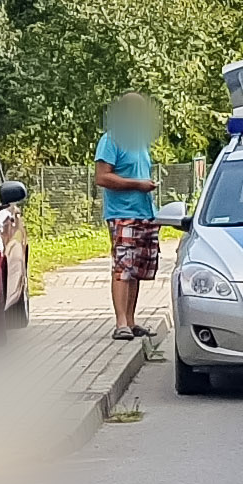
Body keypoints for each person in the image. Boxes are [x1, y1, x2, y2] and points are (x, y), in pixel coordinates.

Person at [94, 92, 162, 339]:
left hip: (145, 213)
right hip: (123, 214)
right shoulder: (111, 139)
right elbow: (102, 177)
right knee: (123, 268)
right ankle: (120, 322)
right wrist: (137, 184)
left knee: (137, 269)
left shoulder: (140, 141)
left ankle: (132, 321)